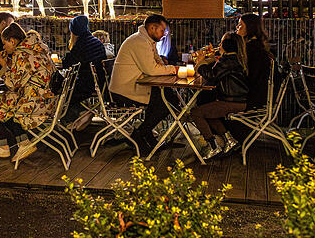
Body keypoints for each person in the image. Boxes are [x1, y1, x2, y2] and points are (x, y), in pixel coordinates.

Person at [0, 23, 57, 162]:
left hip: (34, 105)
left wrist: (4, 65)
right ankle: (23, 142)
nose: (4, 47)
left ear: (12, 40)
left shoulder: (21, 53)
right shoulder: (38, 48)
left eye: (4, 43)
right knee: (8, 105)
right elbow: (24, 75)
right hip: (47, 100)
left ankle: (3, 144)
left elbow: (12, 84)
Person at [109, 14, 179, 155]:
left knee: (169, 98)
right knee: (166, 103)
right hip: (125, 91)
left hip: (136, 86)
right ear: (152, 28)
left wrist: (165, 67)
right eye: (162, 31)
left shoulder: (146, 41)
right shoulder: (139, 42)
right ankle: (140, 134)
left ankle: (145, 135)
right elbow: (151, 69)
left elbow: (157, 62)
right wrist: (174, 69)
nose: (164, 35)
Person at [188, 32, 249, 159]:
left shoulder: (228, 60)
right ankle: (229, 140)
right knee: (207, 111)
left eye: (221, 43)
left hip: (233, 102)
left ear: (227, 45)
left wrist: (200, 63)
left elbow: (212, 76)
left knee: (196, 113)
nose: (219, 46)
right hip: (236, 100)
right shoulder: (235, 58)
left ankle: (212, 147)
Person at [60, 15, 106, 130]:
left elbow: (68, 64)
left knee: (63, 93)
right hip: (101, 83)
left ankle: (78, 114)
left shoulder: (81, 44)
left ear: (74, 30)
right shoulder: (96, 42)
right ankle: (81, 113)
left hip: (87, 84)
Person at [237, 13, 274, 109]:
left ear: (249, 27)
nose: (237, 27)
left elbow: (250, 75)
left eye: (241, 25)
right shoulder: (256, 45)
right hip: (260, 95)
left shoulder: (252, 48)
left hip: (252, 98)